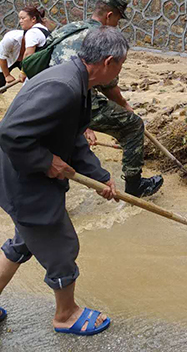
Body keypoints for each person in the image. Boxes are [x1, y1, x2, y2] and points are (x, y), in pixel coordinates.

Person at [0, 27, 126, 336]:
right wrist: (46, 161)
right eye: (122, 64)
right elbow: (11, 134)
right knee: (60, 245)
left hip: (27, 174)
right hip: (25, 179)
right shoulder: (64, 86)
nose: (122, 70)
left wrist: (101, 176)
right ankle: (66, 314)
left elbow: (73, 138)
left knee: (25, 240)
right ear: (109, 62)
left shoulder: (78, 82)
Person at [47, 0, 163, 198]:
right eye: (118, 19)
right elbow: (108, 84)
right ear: (109, 16)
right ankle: (135, 185)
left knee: (59, 145)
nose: (117, 25)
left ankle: (52, 195)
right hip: (75, 98)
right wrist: (126, 108)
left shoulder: (69, 29)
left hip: (48, 92)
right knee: (133, 125)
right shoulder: (100, 37)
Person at [17, 6, 51, 82]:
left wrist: (23, 72)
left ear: (33, 19)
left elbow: (28, 54)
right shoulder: (43, 29)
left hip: (38, 73)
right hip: (46, 69)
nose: (20, 21)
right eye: (20, 18)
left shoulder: (32, 33)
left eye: (23, 18)